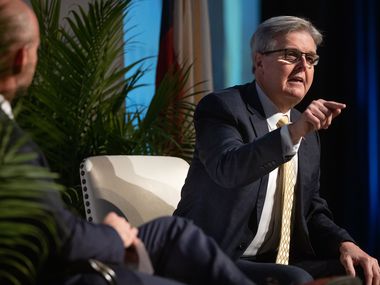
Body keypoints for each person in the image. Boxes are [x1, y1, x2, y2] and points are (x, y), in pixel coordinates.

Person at [0, 1, 260, 284]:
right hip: (58, 274)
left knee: (173, 232)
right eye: (39, 50)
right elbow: (57, 237)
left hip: (63, 250)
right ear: (22, 58)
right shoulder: (7, 142)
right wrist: (112, 235)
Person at [174, 15, 380, 285]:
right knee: (294, 279)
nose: (303, 66)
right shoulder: (222, 108)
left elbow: (311, 210)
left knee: (361, 273)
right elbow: (229, 168)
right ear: (259, 61)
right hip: (211, 256)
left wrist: (344, 243)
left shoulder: (305, 130)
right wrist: (293, 133)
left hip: (275, 261)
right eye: (291, 55)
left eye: (310, 58)